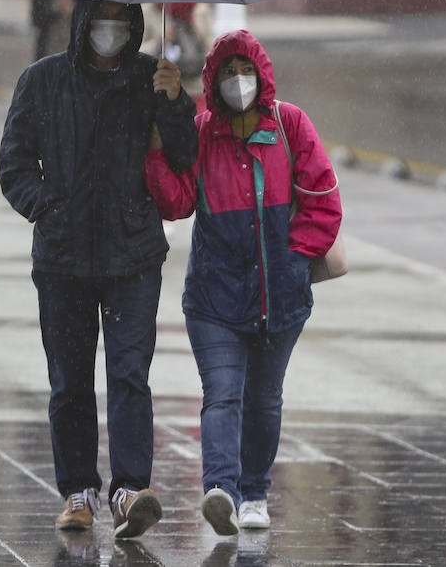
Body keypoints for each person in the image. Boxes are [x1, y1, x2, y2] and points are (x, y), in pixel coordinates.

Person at [0, 0, 198, 538]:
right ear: (85, 20)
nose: (110, 30)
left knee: (130, 374)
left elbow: (183, 156)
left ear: (133, 24)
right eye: (101, 17)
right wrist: (49, 207)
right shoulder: (41, 81)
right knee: (69, 380)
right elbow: (13, 164)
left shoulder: (149, 78)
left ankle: (131, 489)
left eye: (120, 18)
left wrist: (176, 101)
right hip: (62, 259)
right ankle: (78, 491)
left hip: (132, 253)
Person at [144, 29, 342, 536]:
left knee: (263, 399)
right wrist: (158, 148)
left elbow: (323, 199)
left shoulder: (289, 123)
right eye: (227, 72)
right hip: (215, 296)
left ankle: (254, 491)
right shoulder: (203, 130)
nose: (238, 81)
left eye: (245, 70)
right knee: (222, 394)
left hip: (282, 295)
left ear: (262, 75)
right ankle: (222, 491)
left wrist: (294, 260)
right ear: (212, 80)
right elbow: (177, 202)